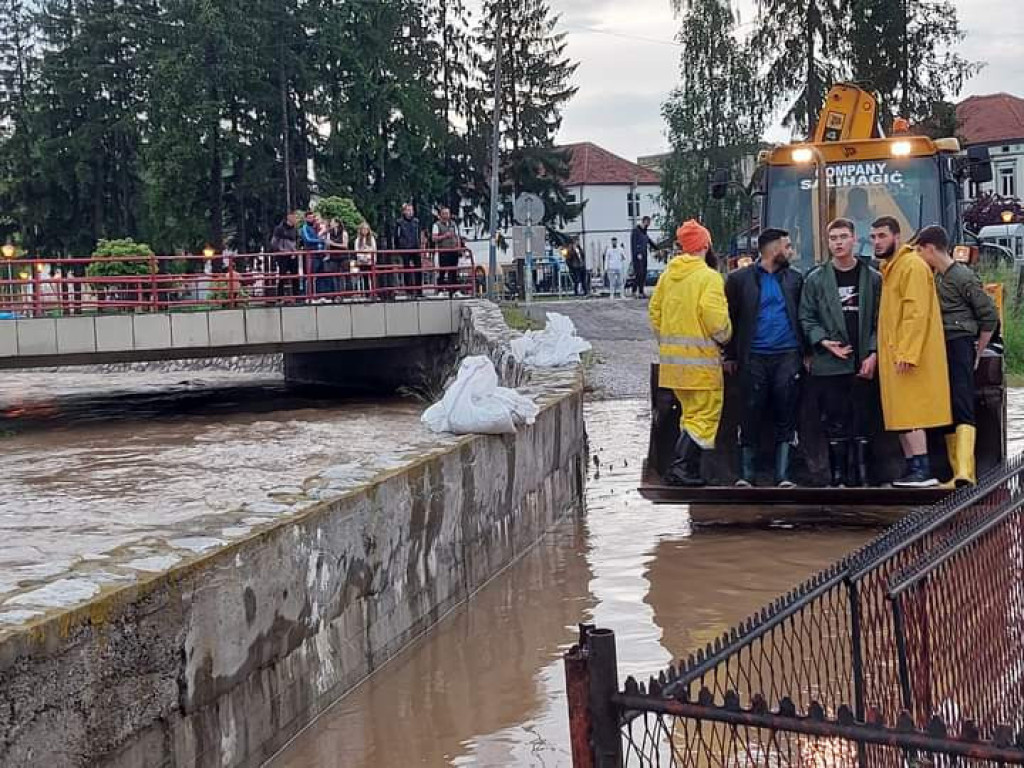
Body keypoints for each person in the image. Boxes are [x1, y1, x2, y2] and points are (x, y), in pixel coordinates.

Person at [799, 218, 883, 487]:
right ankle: (837, 476)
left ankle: (862, 474)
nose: (838, 242)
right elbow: (807, 316)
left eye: (843, 237)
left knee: (863, 418)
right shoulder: (815, 279)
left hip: (863, 360)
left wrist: (873, 353)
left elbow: (881, 320)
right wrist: (822, 342)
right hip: (830, 364)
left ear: (854, 239)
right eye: (833, 238)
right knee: (834, 419)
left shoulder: (873, 278)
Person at [649, 219, 732, 487]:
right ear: (705, 245)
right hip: (701, 364)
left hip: (674, 367)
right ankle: (681, 467)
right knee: (706, 416)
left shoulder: (667, 276)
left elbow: (655, 312)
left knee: (690, 416)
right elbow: (716, 320)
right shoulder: (708, 277)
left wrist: (669, 344)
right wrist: (727, 337)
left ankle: (688, 471)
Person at [915, 225, 998, 487]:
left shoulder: (963, 276)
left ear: (930, 248)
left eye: (919, 250)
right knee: (946, 404)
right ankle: (956, 472)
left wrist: (978, 351)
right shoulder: (935, 277)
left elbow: (989, 316)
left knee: (962, 401)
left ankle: (965, 471)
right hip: (939, 346)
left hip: (960, 342)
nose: (918, 255)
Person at [724, 228, 804, 488]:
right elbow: (731, 319)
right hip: (754, 356)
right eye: (787, 246)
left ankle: (784, 475)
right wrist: (730, 354)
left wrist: (808, 353)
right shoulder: (739, 280)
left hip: (787, 354)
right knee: (750, 411)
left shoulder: (795, 279)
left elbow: (803, 317)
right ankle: (747, 475)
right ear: (773, 249)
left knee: (787, 410)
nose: (790, 251)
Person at [878, 232, 952, 487]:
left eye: (881, 236)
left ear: (896, 238)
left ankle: (922, 469)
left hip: (906, 356)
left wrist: (908, 352)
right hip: (895, 354)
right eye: (873, 236)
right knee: (902, 413)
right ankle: (913, 467)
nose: (876, 241)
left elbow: (915, 313)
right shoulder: (892, 269)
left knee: (911, 412)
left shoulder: (911, 266)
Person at [431, 206, 462, 296]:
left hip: (453, 250)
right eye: (444, 213)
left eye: (447, 213)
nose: (446, 215)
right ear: (441, 215)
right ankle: (440, 290)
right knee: (442, 271)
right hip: (443, 251)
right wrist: (445, 236)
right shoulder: (437, 225)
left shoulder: (453, 224)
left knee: (454, 271)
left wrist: (458, 246)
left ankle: (454, 290)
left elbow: (457, 236)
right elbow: (434, 238)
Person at [270, 211, 299, 300]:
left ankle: (296, 296)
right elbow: (274, 242)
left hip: (293, 255)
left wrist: (295, 251)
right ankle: (280, 296)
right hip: (283, 256)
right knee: (282, 276)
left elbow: (296, 241)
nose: (296, 219)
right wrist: (281, 251)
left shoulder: (295, 229)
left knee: (295, 276)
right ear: (289, 217)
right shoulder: (279, 229)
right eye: (294, 217)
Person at [395, 203, 422, 298]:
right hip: (405, 248)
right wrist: (399, 248)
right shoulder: (399, 222)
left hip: (415, 247)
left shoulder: (416, 221)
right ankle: (409, 291)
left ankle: (419, 291)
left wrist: (420, 245)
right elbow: (397, 236)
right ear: (404, 211)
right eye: (408, 210)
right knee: (406, 269)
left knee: (418, 268)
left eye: (411, 210)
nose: (410, 212)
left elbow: (419, 234)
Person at [299, 211, 328, 301]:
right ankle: (307, 296)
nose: (312, 219)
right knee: (309, 275)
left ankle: (321, 295)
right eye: (310, 218)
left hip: (319, 254)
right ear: (306, 218)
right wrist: (320, 240)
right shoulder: (305, 227)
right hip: (310, 255)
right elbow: (307, 239)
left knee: (321, 275)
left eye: (313, 217)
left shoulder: (316, 227)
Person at [631, 216, 657, 298]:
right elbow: (634, 243)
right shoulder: (636, 231)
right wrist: (637, 253)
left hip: (644, 255)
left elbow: (649, 241)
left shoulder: (644, 232)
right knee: (639, 273)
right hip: (638, 256)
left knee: (643, 274)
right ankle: (634, 290)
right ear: (644, 221)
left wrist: (658, 248)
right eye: (648, 223)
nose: (649, 225)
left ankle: (641, 291)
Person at [325, 218, 349, 297]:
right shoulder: (329, 233)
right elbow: (328, 244)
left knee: (341, 275)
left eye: (332, 222)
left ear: (337, 224)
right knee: (334, 276)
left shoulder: (344, 233)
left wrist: (333, 243)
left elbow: (345, 245)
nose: (330, 223)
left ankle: (342, 293)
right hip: (333, 257)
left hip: (342, 257)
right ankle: (336, 294)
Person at [353, 221, 377, 298]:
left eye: (366, 229)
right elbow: (357, 251)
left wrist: (369, 257)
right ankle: (367, 294)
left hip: (370, 261)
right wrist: (363, 257)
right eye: (363, 229)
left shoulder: (372, 239)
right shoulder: (357, 240)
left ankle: (374, 293)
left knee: (372, 277)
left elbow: (374, 249)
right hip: (362, 261)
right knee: (365, 277)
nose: (364, 231)